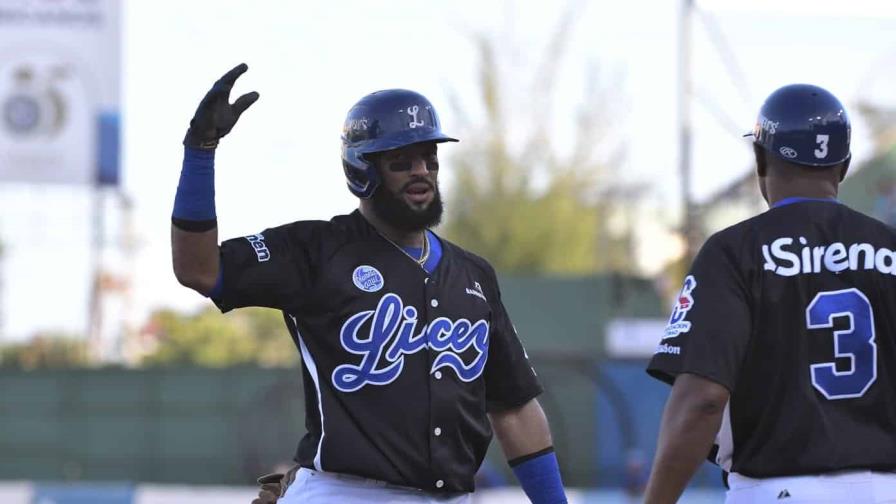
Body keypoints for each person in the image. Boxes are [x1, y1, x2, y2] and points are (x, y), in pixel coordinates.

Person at [171, 64, 568, 504]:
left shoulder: (473, 274)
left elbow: (514, 409)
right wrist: (200, 151)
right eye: (401, 161)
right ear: (363, 170)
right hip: (346, 492)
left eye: (429, 158)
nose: (421, 171)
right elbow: (200, 271)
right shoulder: (316, 250)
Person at [644, 84, 896, 503]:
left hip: (777, 490)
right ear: (844, 165)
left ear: (761, 159)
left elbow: (704, 399)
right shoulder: (890, 248)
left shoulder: (735, 253)